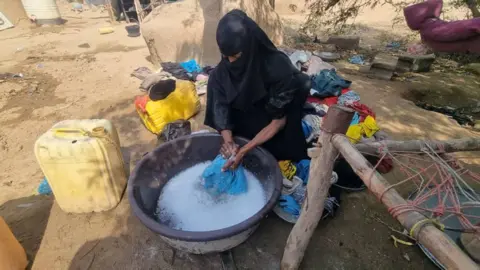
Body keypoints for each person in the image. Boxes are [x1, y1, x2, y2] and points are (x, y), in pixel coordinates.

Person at [204, 9, 311, 171]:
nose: (231, 62)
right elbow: (221, 113)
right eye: (226, 56)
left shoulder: (277, 67)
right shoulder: (221, 74)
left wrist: (246, 150)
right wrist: (229, 143)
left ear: (250, 46)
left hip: (274, 125)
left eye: (237, 56)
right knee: (215, 78)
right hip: (245, 123)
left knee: (301, 84)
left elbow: (278, 121)